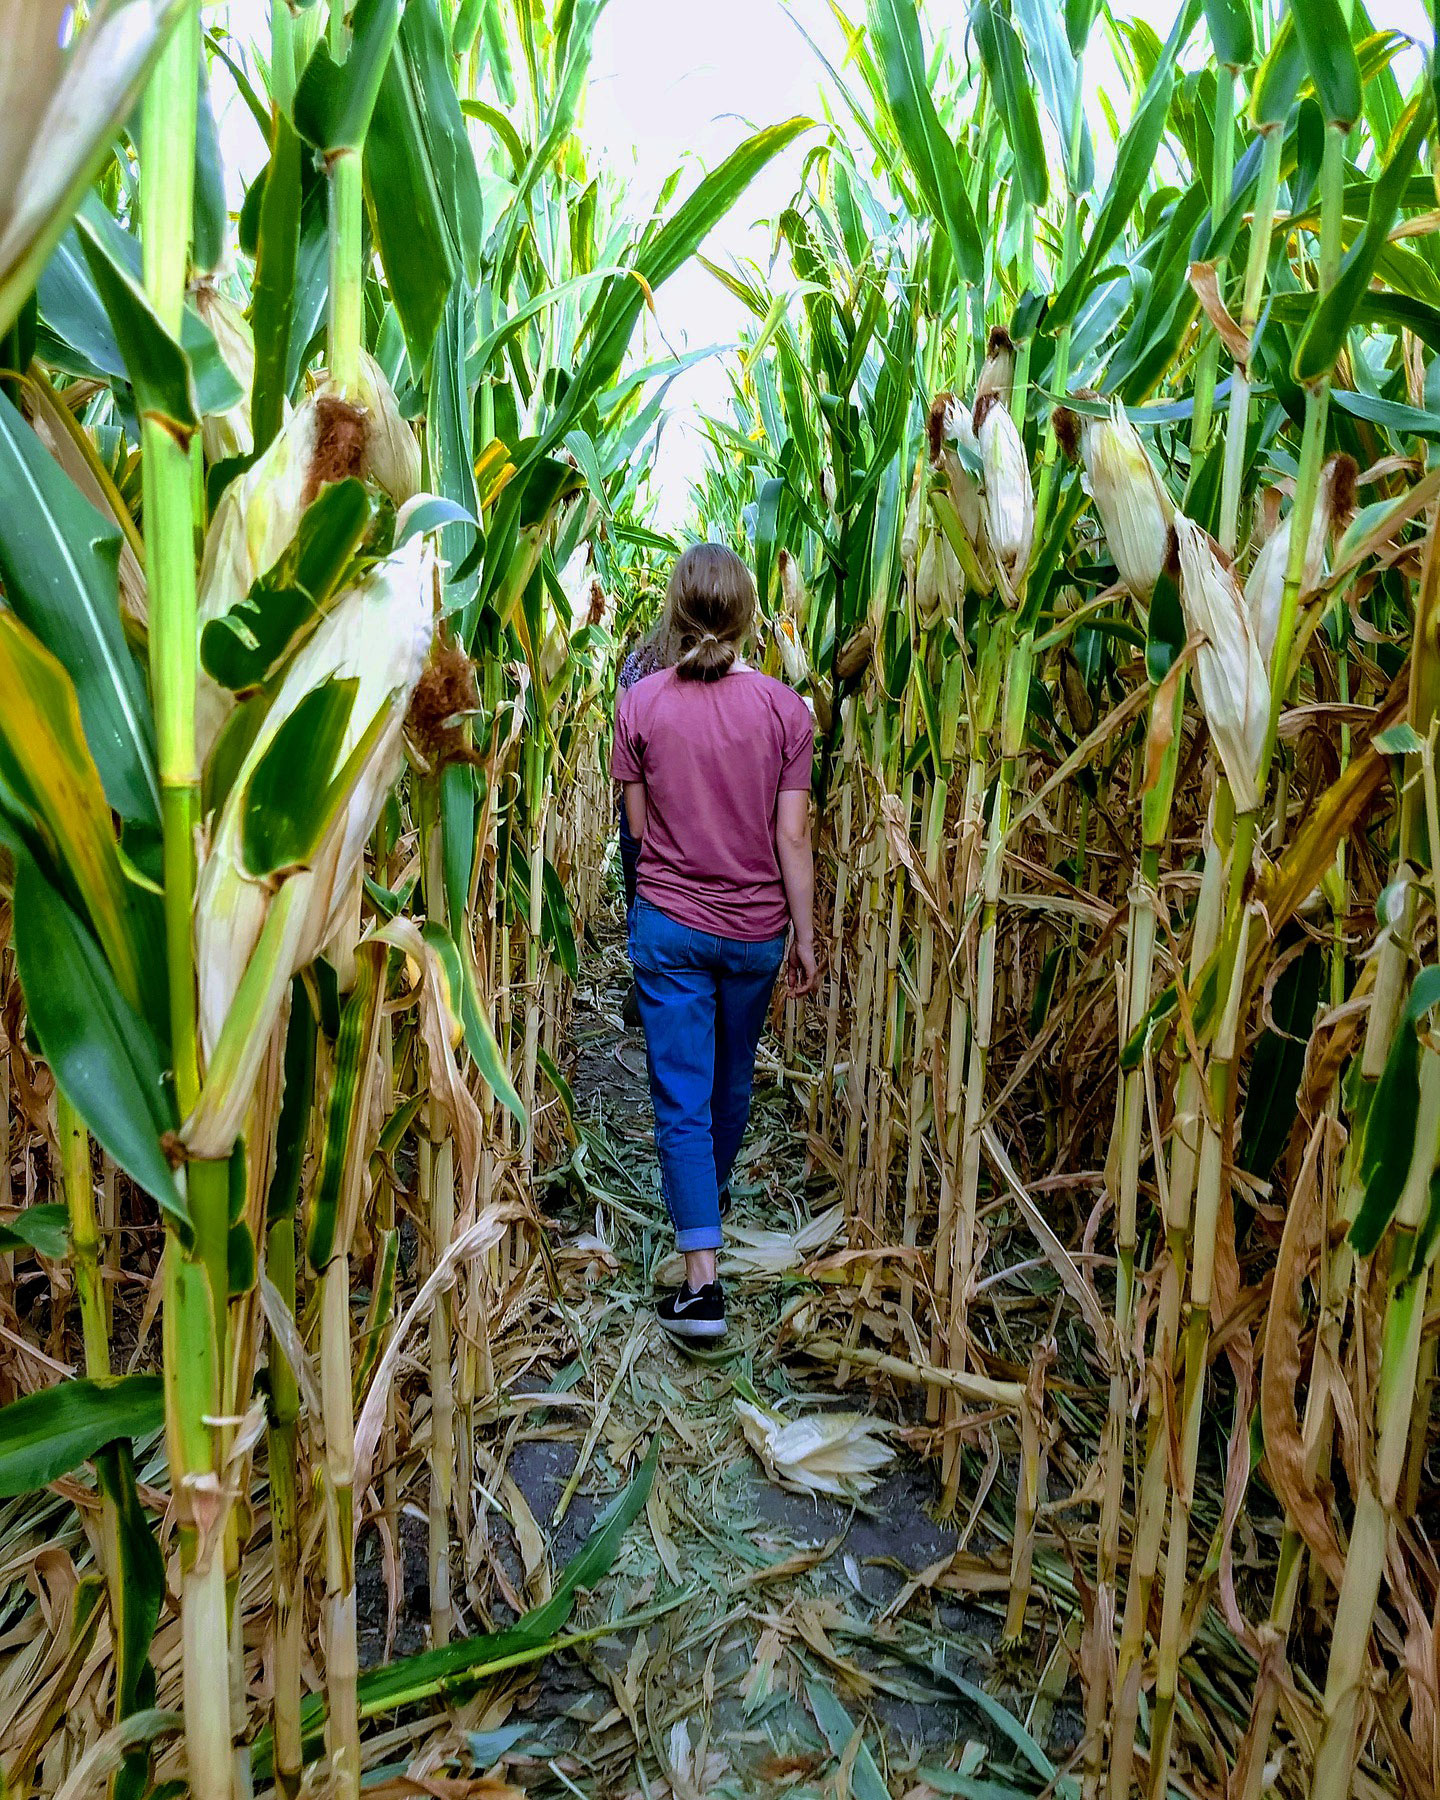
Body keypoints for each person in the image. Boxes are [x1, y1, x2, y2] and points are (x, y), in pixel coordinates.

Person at [611, 542, 820, 1340]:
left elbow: (638, 835)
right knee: (732, 1081)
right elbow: (792, 838)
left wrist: (655, 906)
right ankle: (709, 1201)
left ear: (676, 611)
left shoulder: (642, 706)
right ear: (745, 616)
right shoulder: (785, 710)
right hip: (756, 931)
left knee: (680, 1096)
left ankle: (702, 1284)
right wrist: (804, 935)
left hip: (670, 925)